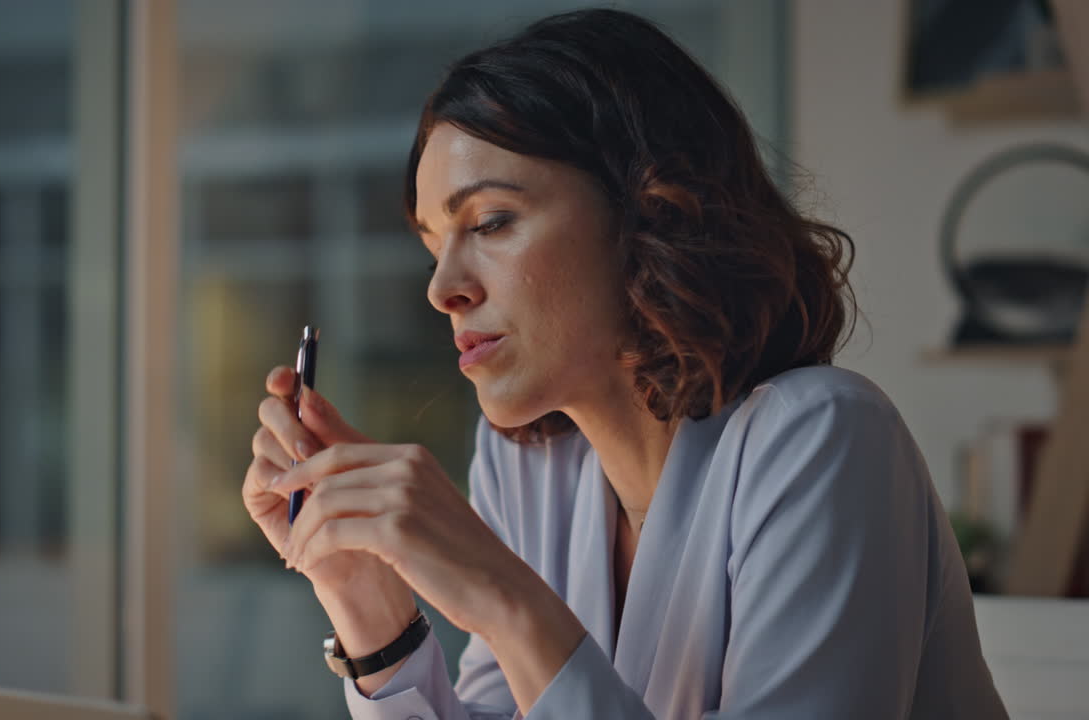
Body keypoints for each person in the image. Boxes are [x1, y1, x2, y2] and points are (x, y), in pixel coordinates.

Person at [244, 8, 1009, 719]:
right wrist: (366, 600)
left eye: (491, 221)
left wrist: (504, 596)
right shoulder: (528, 469)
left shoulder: (826, 441)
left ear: (652, 208)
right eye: (433, 243)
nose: (444, 288)